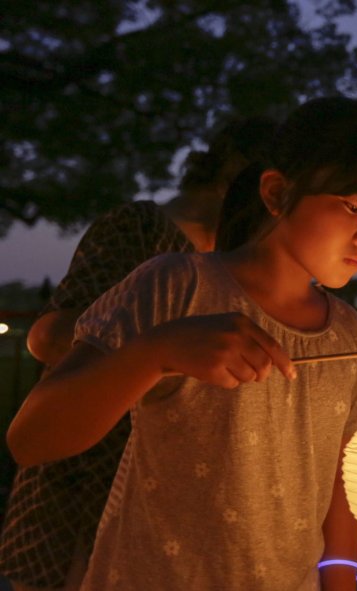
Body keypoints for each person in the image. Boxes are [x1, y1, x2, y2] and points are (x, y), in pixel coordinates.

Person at [5, 96, 357, 590]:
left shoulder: (352, 336)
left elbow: (339, 481)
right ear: (277, 192)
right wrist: (158, 351)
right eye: (352, 206)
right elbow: (31, 439)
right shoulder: (177, 287)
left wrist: (339, 580)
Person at [0, 116, 276, 591]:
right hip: (88, 469)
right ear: (237, 169)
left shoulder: (238, 260)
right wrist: (162, 345)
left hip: (171, 490)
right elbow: (46, 337)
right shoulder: (142, 230)